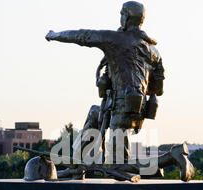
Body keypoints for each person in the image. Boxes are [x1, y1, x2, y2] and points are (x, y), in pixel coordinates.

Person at [46, 1, 164, 163]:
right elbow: (158, 89)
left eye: (122, 14)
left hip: (121, 108)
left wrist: (55, 35)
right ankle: (77, 164)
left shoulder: (115, 40)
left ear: (127, 17)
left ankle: (173, 157)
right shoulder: (153, 51)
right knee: (95, 113)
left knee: (117, 164)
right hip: (136, 108)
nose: (120, 17)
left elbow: (82, 36)